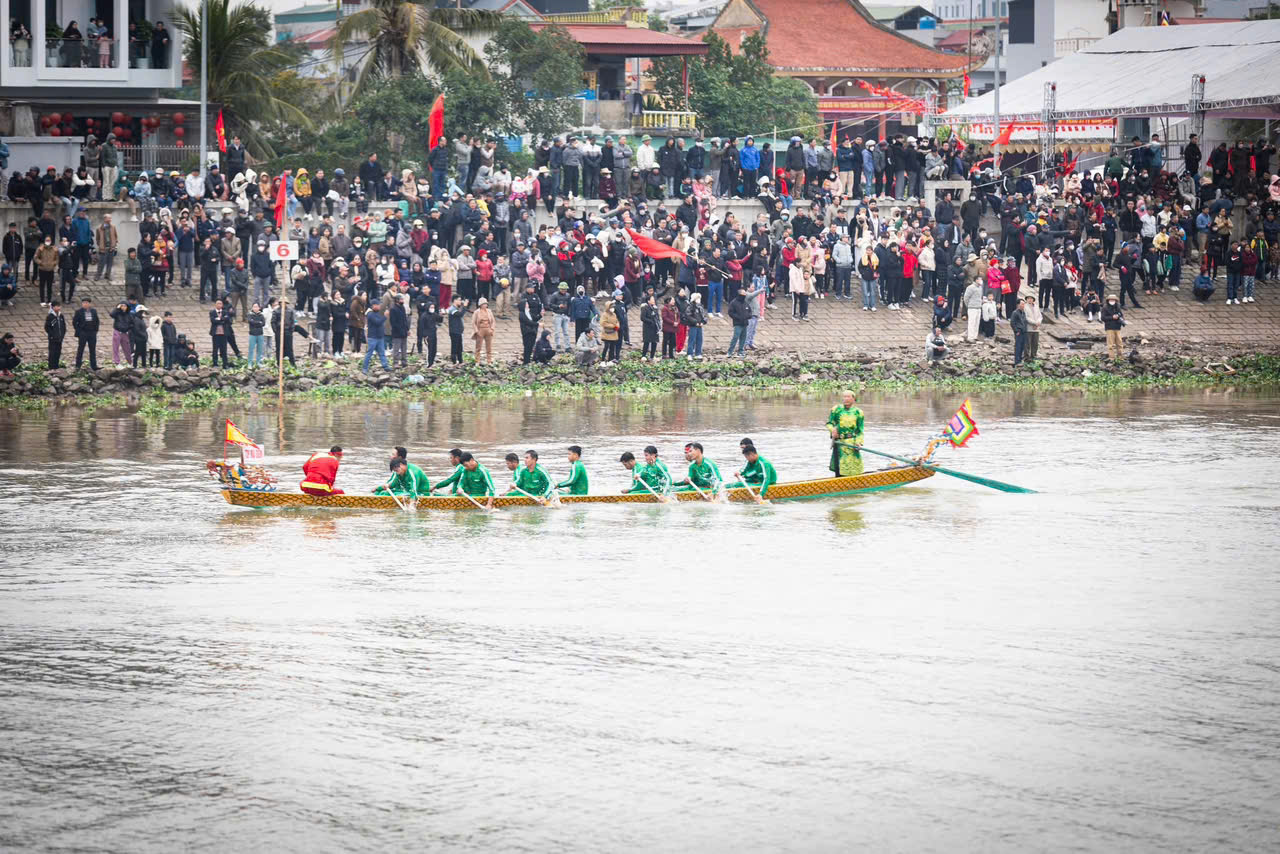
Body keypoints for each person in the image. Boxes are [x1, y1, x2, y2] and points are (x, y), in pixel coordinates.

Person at [827, 390, 865, 477]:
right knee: (839, 467)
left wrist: (859, 442)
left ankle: (854, 484)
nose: (845, 399)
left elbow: (860, 431)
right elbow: (829, 423)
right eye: (844, 396)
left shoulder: (858, 412)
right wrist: (832, 430)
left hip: (852, 444)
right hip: (839, 443)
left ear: (853, 399)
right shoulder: (836, 409)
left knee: (853, 468)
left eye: (848, 397)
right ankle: (839, 482)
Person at [363, 299, 390, 373]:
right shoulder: (370, 314)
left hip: (380, 337)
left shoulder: (377, 313)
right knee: (369, 353)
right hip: (373, 337)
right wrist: (385, 317)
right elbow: (377, 322)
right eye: (378, 305)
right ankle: (365, 368)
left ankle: (385, 365)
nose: (379, 306)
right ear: (373, 306)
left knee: (382, 352)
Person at [72, 296, 99, 371]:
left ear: (89, 304)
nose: (85, 304)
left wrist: (95, 330)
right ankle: (78, 365)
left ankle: (94, 366)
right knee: (80, 349)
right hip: (83, 332)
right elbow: (74, 322)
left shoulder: (94, 311)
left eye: (86, 303)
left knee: (92, 350)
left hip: (92, 333)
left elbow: (97, 321)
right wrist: (79, 331)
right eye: (83, 303)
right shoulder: (78, 311)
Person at [471, 296, 495, 364]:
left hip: (488, 329)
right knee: (478, 347)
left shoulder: (489, 311)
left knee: (489, 347)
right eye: (483, 304)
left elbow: (493, 321)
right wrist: (476, 331)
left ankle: (489, 361)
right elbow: (473, 322)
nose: (485, 305)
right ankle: (477, 361)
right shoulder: (476, 312)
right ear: (480, 305)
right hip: (480, 330)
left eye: (486, 304)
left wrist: (492, 329)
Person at [1101, 294, 1124, 360]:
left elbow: (1121, 315)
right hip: (1109, 327)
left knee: (1119, 343)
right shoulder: (1105, 307)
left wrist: (1119, 317)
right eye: (1111, 299)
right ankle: (1112, 357)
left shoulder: (1118, 306)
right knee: (1110, 344)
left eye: (1113, 299)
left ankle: (1120, 356)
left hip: (1117, 326)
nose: (1112, 301)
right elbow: (1103, 318)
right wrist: (1112, 317)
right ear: (1108, 300)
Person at [45, 301, 67, 369]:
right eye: (56, 306)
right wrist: (52, 335)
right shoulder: (50, 316)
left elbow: (63, 326)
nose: (58, 308)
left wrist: (63, 334)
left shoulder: (61, 315)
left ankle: (56, 365)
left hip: (60, 338)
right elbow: (47, 327)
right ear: (53, 307)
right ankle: (51, 367)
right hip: (53, 338)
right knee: (52, 352)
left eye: (59, 306)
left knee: (58, 352)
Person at [1010, 299, 1028, 366]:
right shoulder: (1015, 313)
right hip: (1019, 332)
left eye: (1024, 304)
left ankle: (1020, 360)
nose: (1023, 305)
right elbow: (1012, 323)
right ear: (1018, 305)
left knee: (1022, 347)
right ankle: (1017, 361)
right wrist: (1016, 331)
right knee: (1018, 346)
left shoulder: (1023, 313)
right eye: (1022, 304)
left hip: (1024, 332)